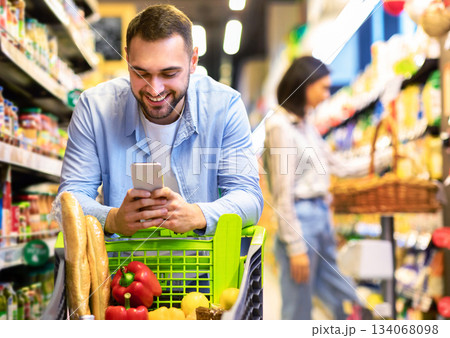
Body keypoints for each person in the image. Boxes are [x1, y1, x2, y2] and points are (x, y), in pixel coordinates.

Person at [58, 4, 263, 237]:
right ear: (127, 59)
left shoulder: (225, 107)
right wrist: (113, 220)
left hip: (203, 268)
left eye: (169, 74)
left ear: (193, 60)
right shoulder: (94, 108)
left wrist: (197, 214)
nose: (154, 89)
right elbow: (68, 200)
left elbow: (248, 197)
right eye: (141, 73)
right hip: (124, 270)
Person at [264, 56, 366, 320]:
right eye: (323, 87)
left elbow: (338, 166)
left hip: (321, 217)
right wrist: (296, 246)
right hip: (302, 221)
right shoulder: (280, 126)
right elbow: (282, 192)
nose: (327, 94)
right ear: (304, 86)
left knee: (341, 295)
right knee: (298, 309)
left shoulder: (307, 125)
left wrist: (384, 158)